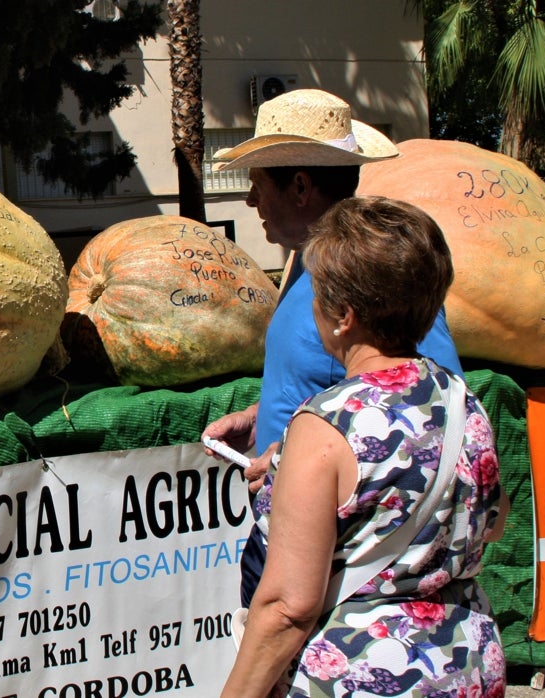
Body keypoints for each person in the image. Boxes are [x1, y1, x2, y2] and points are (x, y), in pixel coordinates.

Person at [220, 196, 507, 697]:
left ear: (343, 316)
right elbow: (494, 517)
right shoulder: (465, 403)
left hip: (368, 674)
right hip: (466, 666)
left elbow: (288, 607)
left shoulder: (325, 425)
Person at [199, 89, 464, 606]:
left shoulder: (371, 275)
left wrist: (293, 456)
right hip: (294, 527)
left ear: (300, 186)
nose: (251, 202)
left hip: (334, 552)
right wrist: (263, 415)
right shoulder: (304, 262)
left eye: (256, 185)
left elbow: (430, 408)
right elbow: (343, 377)